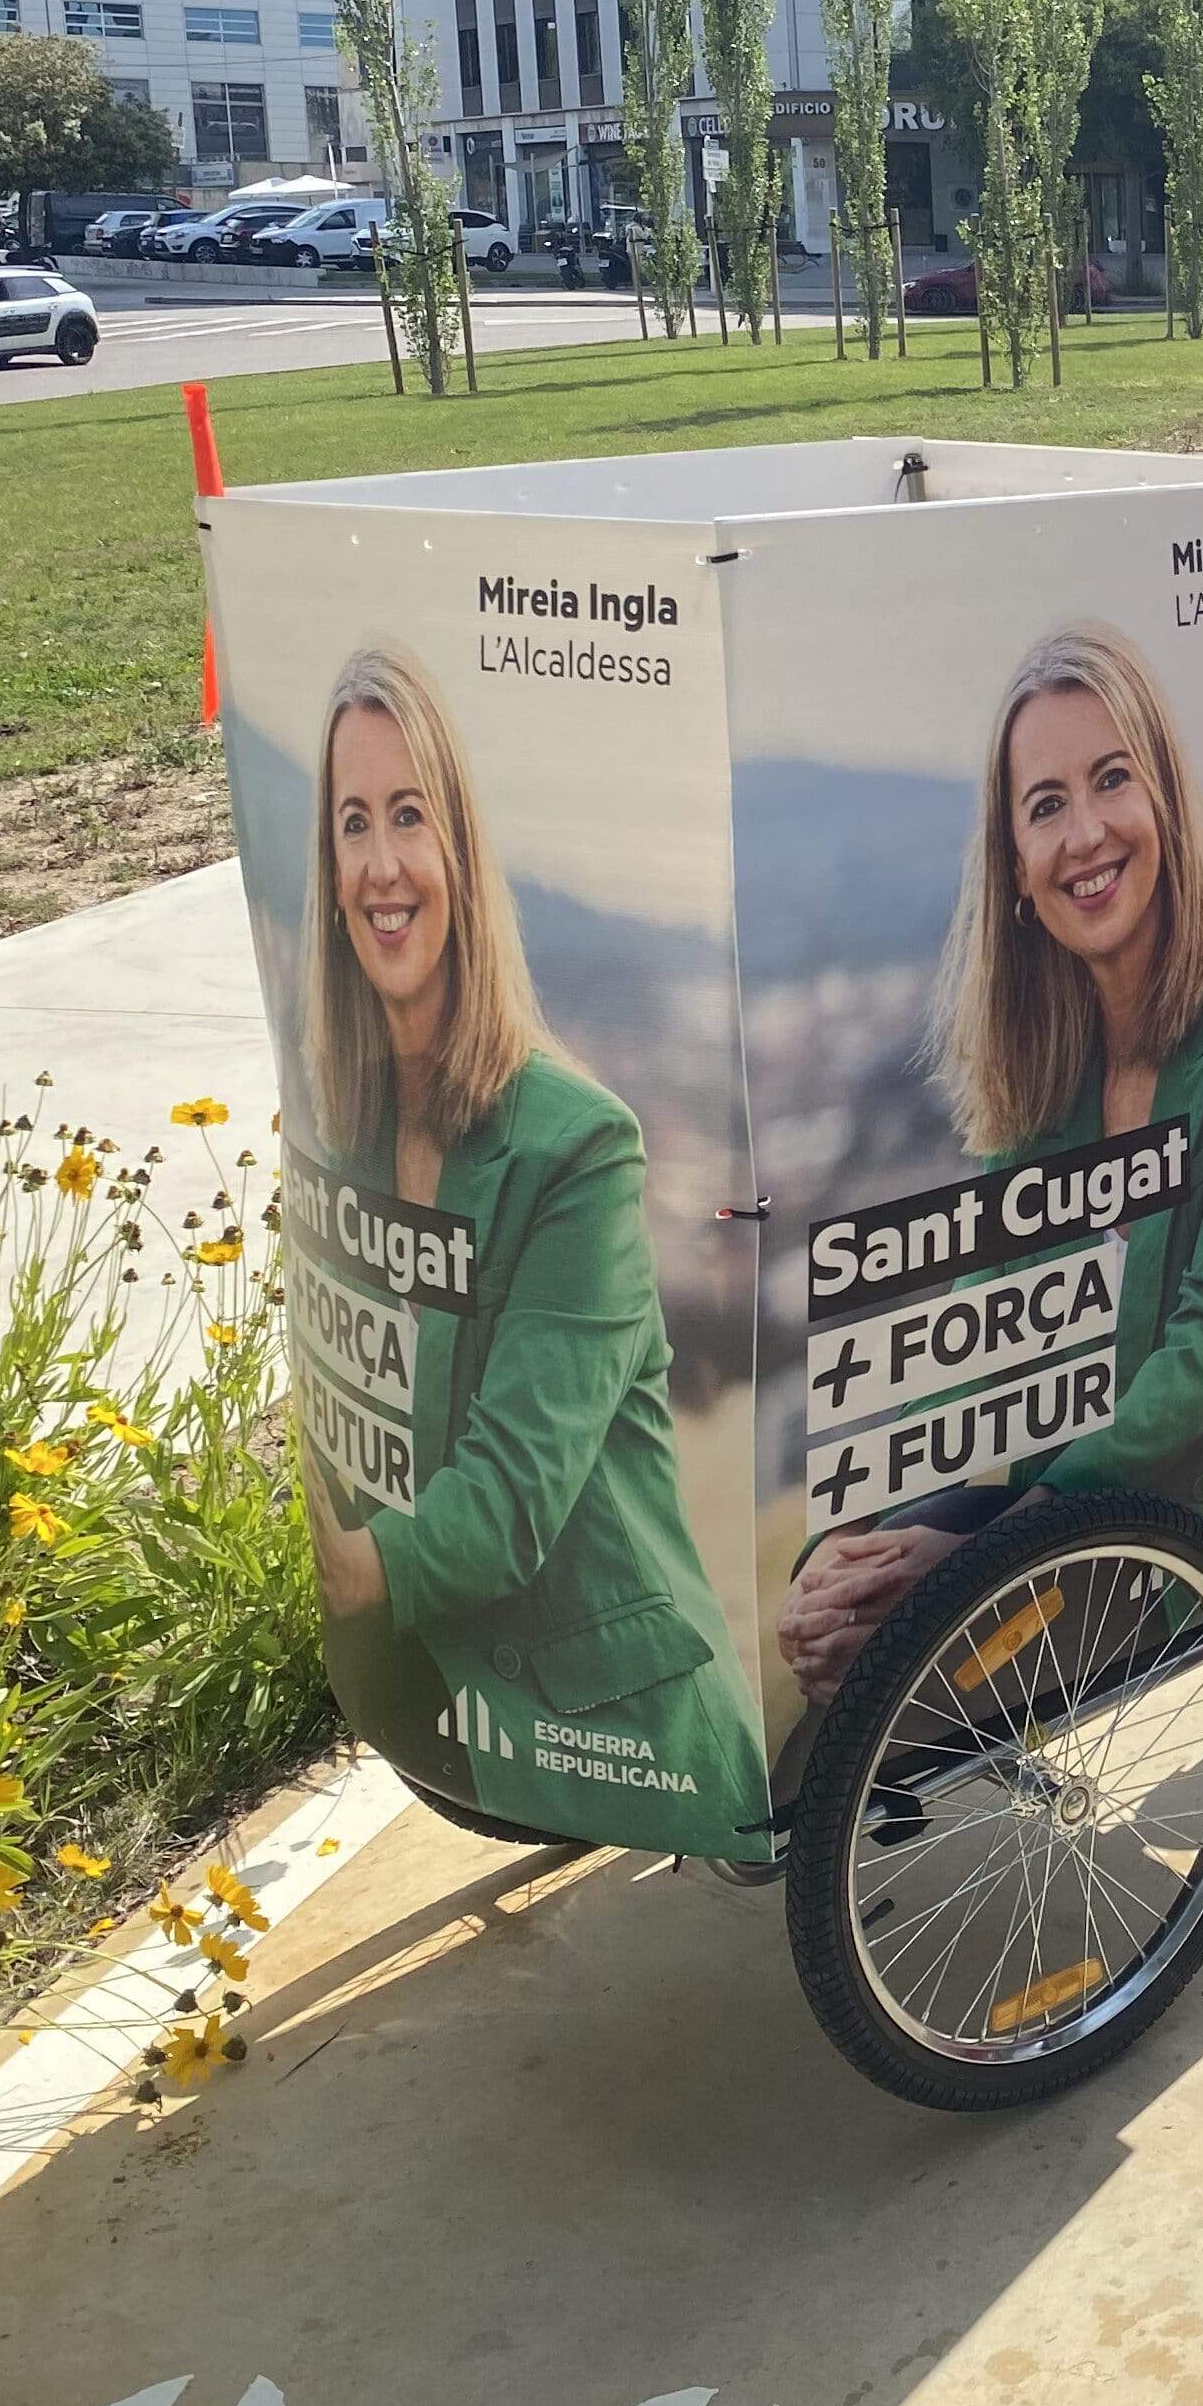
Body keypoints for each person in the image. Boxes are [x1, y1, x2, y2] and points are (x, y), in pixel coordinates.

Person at [776, 623, 1203, 1702]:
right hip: (1088, 1480)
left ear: (1166, 805)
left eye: (1113, 781)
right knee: (843, 1613)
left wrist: (983, 1547)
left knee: (910, 1670)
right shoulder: (1041, 1056)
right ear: (1015, 866)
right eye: (1046, 805)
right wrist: (860, 1523)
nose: (1087, 832)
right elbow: (972, 1335)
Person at [293, 643, 776, 1851]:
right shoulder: (344, 1116)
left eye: (413, 816)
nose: (383, 864)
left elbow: (509, 1504)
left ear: (462, 849)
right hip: (479, 1708)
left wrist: (348, 1571)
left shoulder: (576, 1147)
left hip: (634, 1731)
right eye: (354, 824)